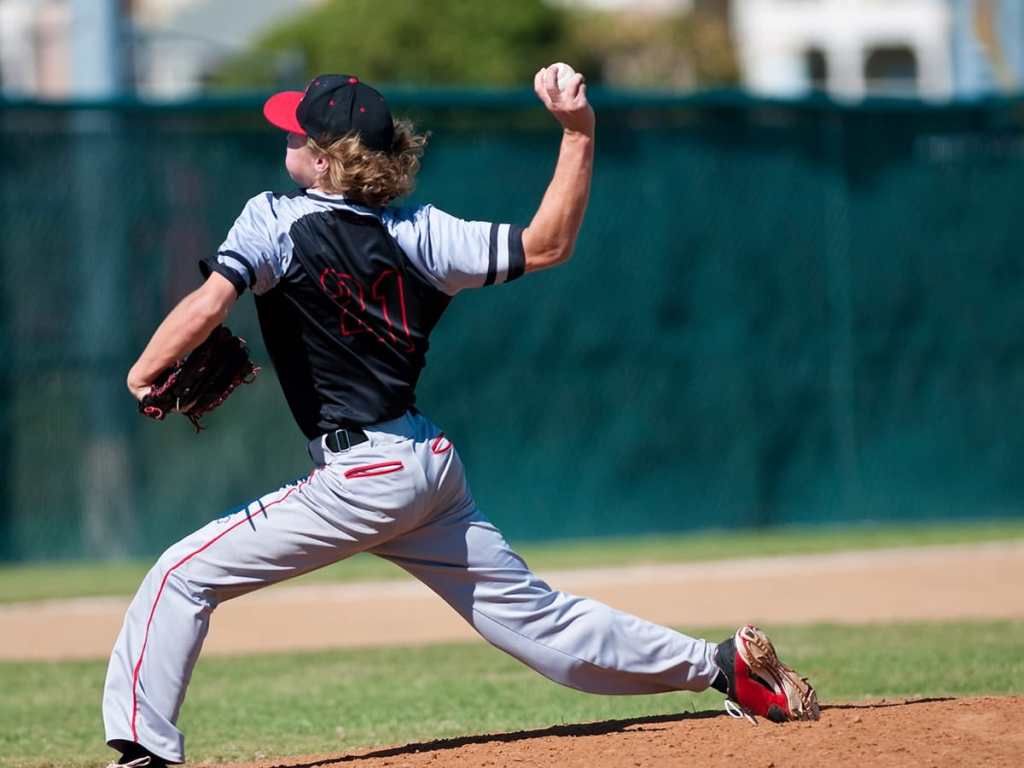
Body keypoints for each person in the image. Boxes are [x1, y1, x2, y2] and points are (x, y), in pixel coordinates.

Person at [102, 67, 818, 768]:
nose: (283, 144)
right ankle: (725, 668)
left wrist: (141, 374)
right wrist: (577, 133)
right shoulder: (421, 231)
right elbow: (548, 245)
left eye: (295, 135)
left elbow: (210, 303)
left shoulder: (275, 217)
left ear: (321, 160)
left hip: (361, 477)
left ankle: (143, 753)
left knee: (179, 576)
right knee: (538, 623)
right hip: (425, 464)